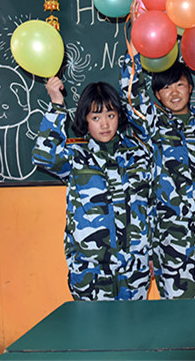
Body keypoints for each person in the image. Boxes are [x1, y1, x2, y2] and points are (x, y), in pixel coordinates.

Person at [119, 38, 195, 299]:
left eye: (179, 84)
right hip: (172, 239)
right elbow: (132, 96)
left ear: (191, 87)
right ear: (157, 95)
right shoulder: (154, 125)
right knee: (179, 311)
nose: (174, 92)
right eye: (166, 88)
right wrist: (134, 49)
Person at [32, 77, 154, 301]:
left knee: (135, 323)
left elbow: (150, 205)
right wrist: (57, 105)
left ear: (119, 116)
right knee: (93, 324)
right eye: (95, 117)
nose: (105, 125)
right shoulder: (76, 157)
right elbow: (44, 156)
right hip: (91, 271)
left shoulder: (138, 154)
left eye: (110, 115)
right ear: (85, 120)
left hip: (134, 269)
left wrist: (152, 253)